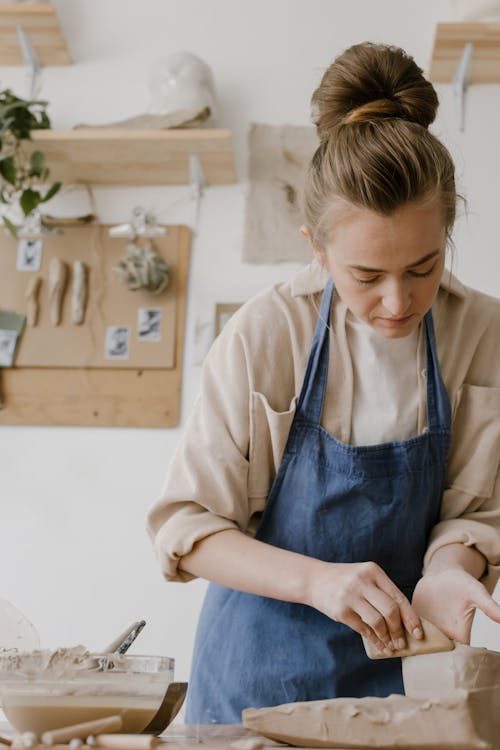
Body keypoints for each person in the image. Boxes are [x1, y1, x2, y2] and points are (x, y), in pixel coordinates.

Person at [146, 42, 500, 724]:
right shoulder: (266, 334)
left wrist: (451, 568)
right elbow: (186, 527)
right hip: (254, 689)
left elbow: (474, 511)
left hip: (405, 687)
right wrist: (317, 581)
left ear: (449, 229)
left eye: (423, 267)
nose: (397, 301)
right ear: (316, 246)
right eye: (366, 276)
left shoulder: (483, 333)